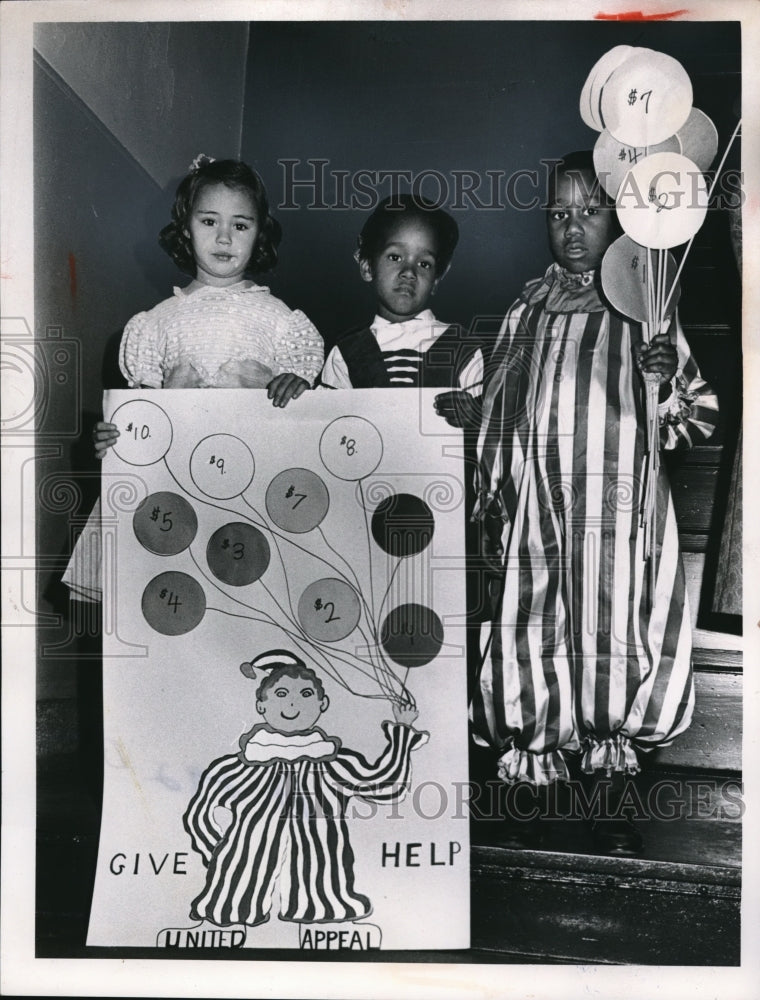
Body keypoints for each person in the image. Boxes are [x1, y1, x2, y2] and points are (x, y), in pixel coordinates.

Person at [471, 151, 718, 855]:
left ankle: (610, 775)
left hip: (617, 505)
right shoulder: (529, 306)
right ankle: (532, 766)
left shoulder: (646, 306)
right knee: (530, 621)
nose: (573, 226)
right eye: (559, 213)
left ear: (620, 218)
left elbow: (694, 418)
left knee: (611, 625)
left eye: (590, 211)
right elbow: (500, 399)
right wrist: (493, 485)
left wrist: (664, 376)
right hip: (538, 497)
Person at [63, 156, 323, 600]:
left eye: (241, 225)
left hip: (254, 482)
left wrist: (299, 390)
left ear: (259, 233)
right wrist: (116, 438)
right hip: (177, 486)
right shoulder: (155, 324)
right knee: (175, 596)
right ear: (186, 228)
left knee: (249, 596)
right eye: (209, 221)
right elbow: (141, 422)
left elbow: (307, 414)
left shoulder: (281, 321)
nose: (224, 237)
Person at [184, 650, 427, 928]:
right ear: (261, 705)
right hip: (232, 906)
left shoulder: (332, 763)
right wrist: (221, 858)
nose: (292, 704)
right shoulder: (237, 768)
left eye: (306, 694)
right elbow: (198, 818)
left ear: (323, 704)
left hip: (321, 904)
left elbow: (387, 787)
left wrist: (403, 731)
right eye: (281, 693)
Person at [320, 194, 482, 431]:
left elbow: (494, 439)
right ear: (367, 266)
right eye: (395, 257)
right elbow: (325, 430)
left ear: (437, 279)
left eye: (424, 263)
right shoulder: (344, 354)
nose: (409, 271)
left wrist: (476, 416)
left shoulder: (464, 350)